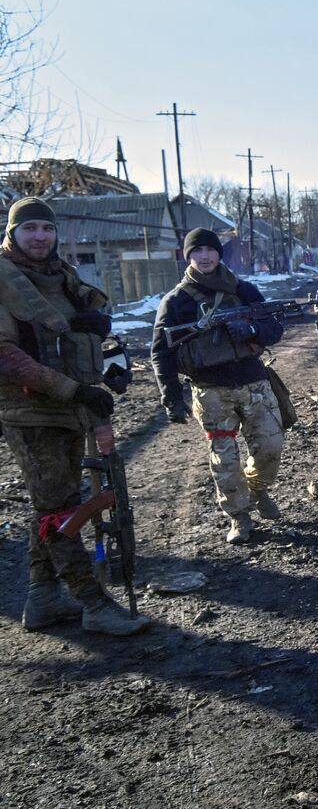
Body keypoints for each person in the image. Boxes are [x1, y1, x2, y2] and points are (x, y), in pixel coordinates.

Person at [0, 198, 151, 635]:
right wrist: (73, 389)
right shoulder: (5, 280)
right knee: (59, 510)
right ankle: (93, 603)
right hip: (30, 411)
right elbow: (6, 355)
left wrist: (108, 360)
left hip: (70, 407)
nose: (39, 237)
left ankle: (42, 596)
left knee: (51, 502)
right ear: (13, 233)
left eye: (46, 229)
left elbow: (80, 339)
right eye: (29, 229)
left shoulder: (62, 278)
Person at [151, 229, 287, 545]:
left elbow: (275, 327)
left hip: (254, 383)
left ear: (219, 253)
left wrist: (252, 328)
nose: (204, 256)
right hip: (210, 390)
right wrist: (170, 394)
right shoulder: (176, 301)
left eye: (210, 250)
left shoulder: (245, 290)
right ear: (188, 256)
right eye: (196, 251)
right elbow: (161, 351)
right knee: (224, 460)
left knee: (271, 447)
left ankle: (257, 489)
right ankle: (239, 516)